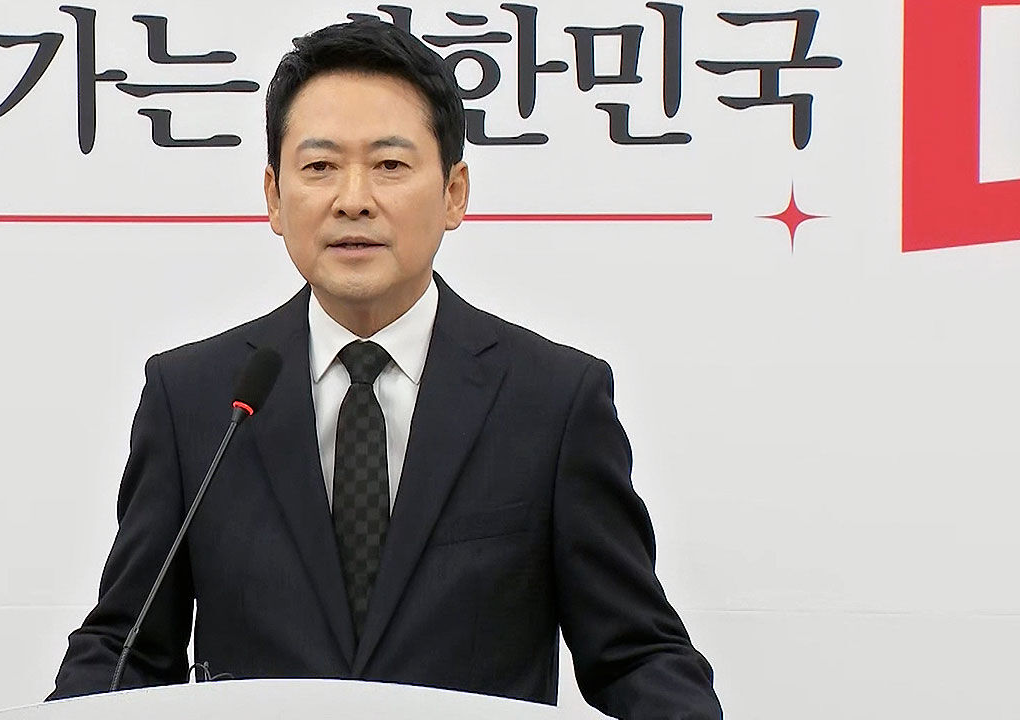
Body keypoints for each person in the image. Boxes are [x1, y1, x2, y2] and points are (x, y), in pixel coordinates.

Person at [49, 18, 721, 719]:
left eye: (390, 165)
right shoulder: (196, 398)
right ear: (274, 197)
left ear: (454, 193)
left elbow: (635, 654)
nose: (353, 199)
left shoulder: (552, 400)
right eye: (319, 167)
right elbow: (127, 649)